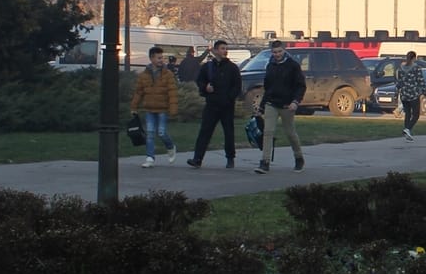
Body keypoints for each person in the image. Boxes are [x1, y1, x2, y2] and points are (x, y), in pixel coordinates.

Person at [254, 39, 306, 175]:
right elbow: (268, 87)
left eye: (279, 52)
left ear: (284, 50)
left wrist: (295, 101)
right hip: (272, 103)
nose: (277, 55)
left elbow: (300, 86)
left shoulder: (293, 65)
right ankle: (264, 162)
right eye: (274, 52)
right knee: (268, 132)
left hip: (287, 105)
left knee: (290, 133)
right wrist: (262, 107)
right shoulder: (270, 65)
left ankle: (299, 157)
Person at [187, 39, 241, 168]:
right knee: (205, 131)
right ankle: (197, 158)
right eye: (222, 48)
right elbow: (200, 81)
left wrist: (230, 98)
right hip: (212, 104)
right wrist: (205, 88)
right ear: (216, 50)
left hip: (227, 105)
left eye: (226, 49)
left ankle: (230, 158)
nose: (225, 51)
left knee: (228, 132)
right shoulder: (207, 67)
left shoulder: (232, 67)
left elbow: (237, 86)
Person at [130, 45, 178, 168]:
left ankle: (170, 146)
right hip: (149, 108)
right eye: (158, 58)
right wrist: (134, 106)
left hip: (162, 108)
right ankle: (150, 157)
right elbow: (139, 92)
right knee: (150, 133)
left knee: (161, 133)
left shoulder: (168, 74)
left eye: (162, 58)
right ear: (151, 59)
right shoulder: (144, 76)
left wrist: (173, 108)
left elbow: (172, 92)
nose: (161, 60)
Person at [394, 50, 424, 141]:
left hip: (404, 94)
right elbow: (420, 80)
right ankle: (408, 129)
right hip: (413, 94)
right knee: (416, 114)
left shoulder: (400, 68)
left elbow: (398, 81)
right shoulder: (416, 68)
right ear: (414, 58)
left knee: (408, 113)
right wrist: (424, 91)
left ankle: (407, 132)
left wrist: (398, 89)